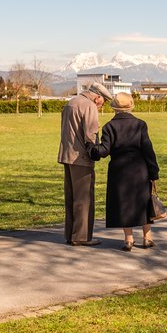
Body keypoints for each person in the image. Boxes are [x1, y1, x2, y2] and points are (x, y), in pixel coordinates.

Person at [87, 92, 160, 251]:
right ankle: (147, 238)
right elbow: (148, 150)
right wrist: (154, 172)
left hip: (119, 171)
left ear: (114, 108)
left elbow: (103, 151)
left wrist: (91, 147)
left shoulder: (109, 127)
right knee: (143, 202)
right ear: (131, 105)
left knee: (124, 202)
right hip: (140, 168)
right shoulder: (140, 124)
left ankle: (129, 239)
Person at [58, 82, 112, 246]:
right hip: (81, 158)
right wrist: (97, 151)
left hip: (67, 155)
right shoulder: (89, 106)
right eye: (103, 102)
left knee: (71, 197)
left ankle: (71, 234)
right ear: (98, 97)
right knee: (84, 198)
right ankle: (81, 236)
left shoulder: (71, 102)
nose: (102, 107)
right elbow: (90, 134)